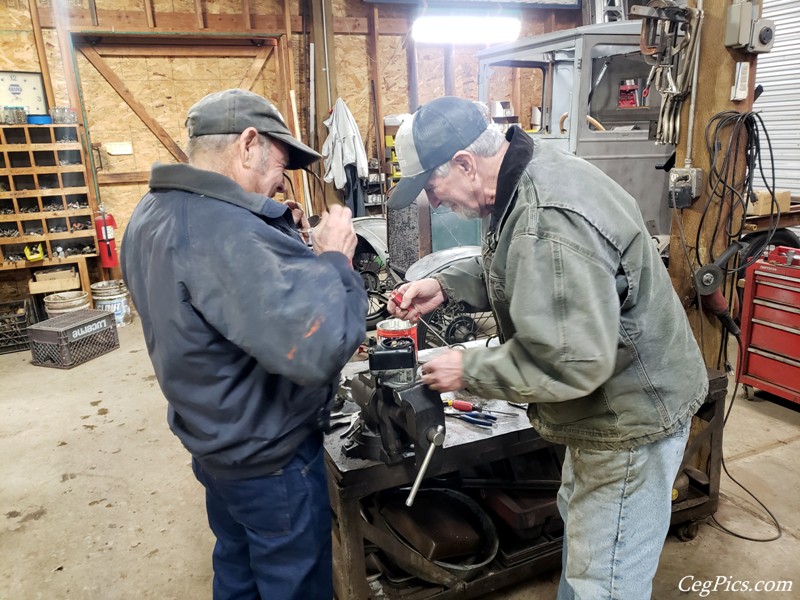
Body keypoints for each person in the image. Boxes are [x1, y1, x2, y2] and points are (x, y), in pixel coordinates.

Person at [386, 96, 708, 599]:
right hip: (604, 413)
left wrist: (468, 367)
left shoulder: (547, 215)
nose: (435, 200)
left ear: (466, 164)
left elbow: (572, 359)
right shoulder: (528, 171)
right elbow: (521, 264)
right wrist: (447, 285)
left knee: (605, 578)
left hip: (630, 416)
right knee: (586, 539)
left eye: (432, 186)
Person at [121, 89, 367, 600]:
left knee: (238, 573)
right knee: (290, 584)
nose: (282, 182)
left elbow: (210, 302)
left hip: (214, 444)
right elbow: (322, 348)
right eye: (280, 165)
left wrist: (274, 239)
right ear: (248, 144)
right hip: (269, 460)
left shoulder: (153, 211)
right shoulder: (224, 232)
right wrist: (334, 260)